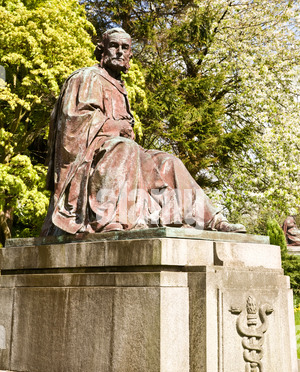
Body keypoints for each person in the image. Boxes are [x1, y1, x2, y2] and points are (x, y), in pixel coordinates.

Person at [41, 28, 246, 236]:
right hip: (92, 155)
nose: (120, 52)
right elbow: (73, 123)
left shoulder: (120, 87)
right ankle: (109, 219)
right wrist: (116, 127)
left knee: (168, 161)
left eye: (125, 48)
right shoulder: (87, 77)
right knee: (124, 148)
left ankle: (211, 220)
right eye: (114, 46)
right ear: (102, 50)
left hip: (122, 152)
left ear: (130, 54)